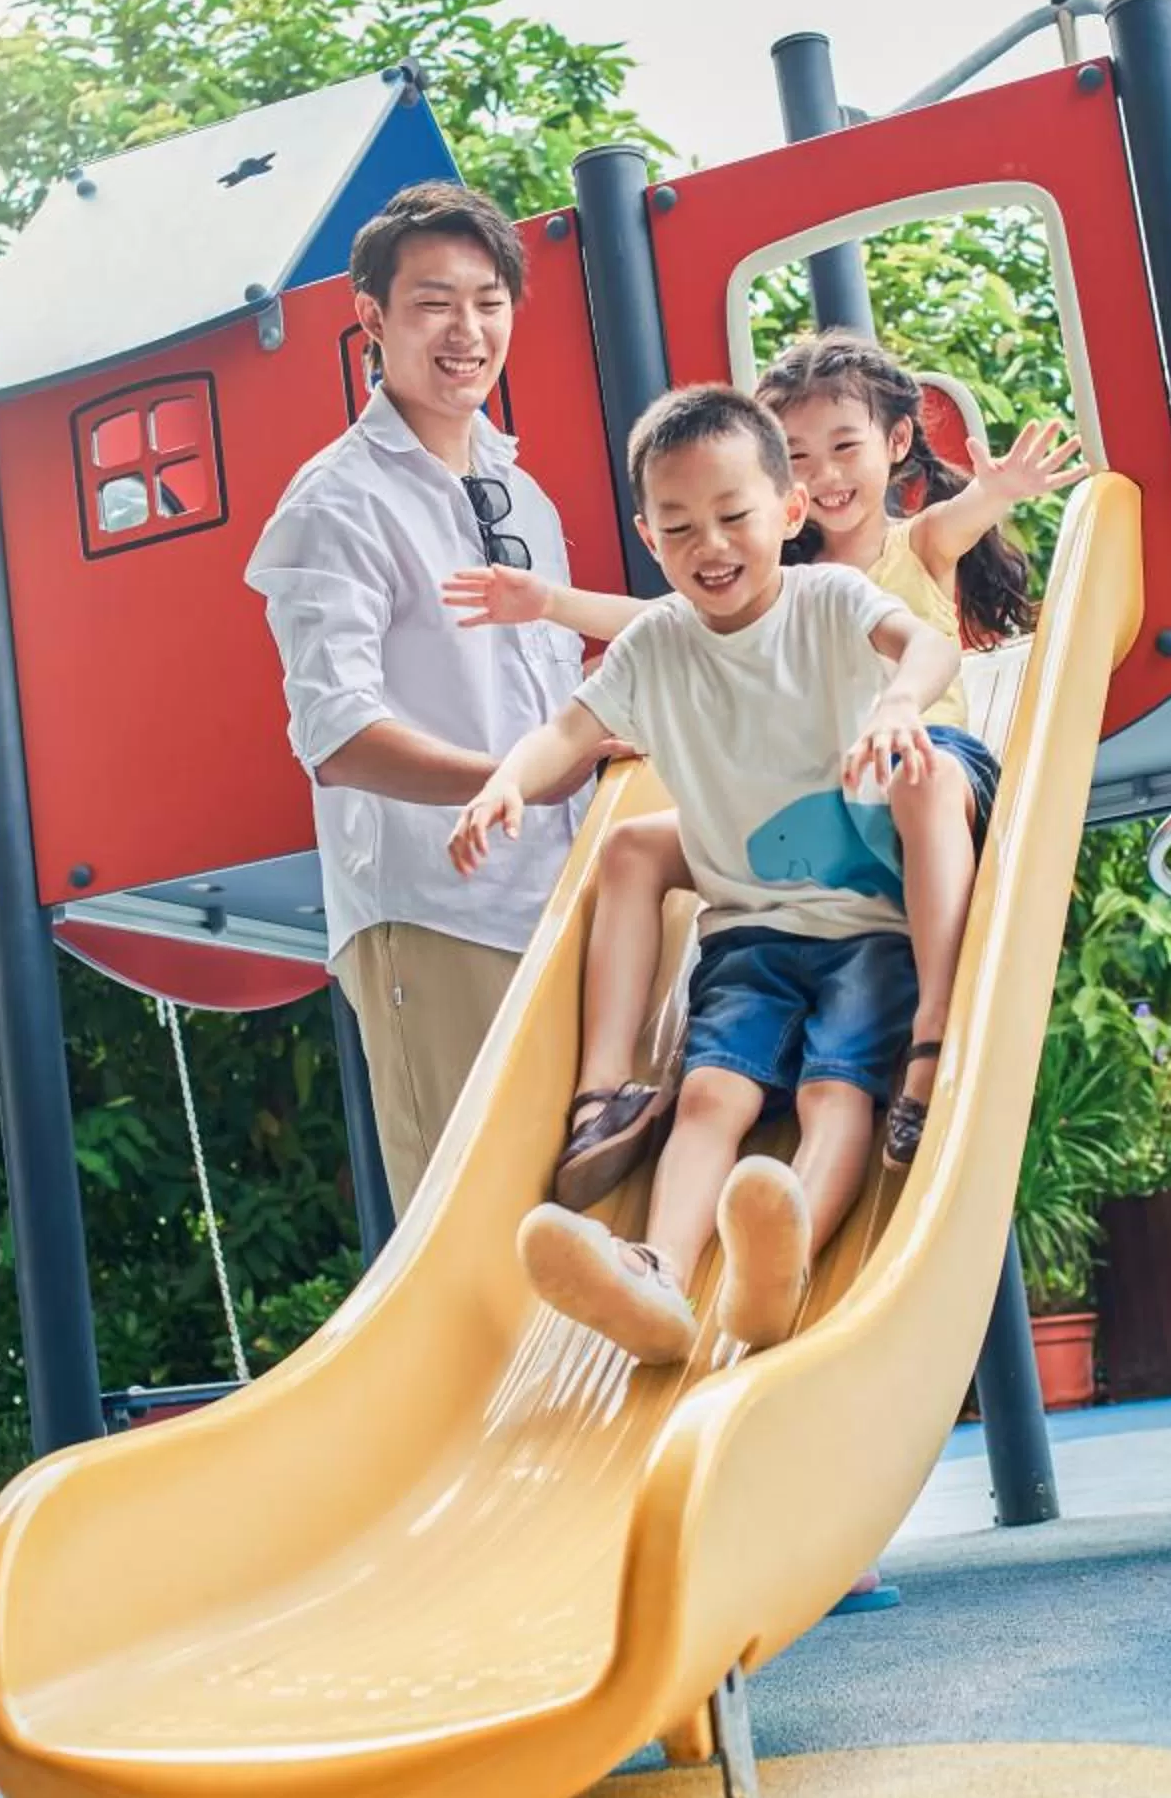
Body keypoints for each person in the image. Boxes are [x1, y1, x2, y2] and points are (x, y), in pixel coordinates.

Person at [446, 333, 1082, 1206]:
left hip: (919, 760)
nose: (825, 475)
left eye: (844, 448)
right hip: (814, 803)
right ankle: (606, 1091)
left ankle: (934, 1025)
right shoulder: (772, 584)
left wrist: (995, 494)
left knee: (918, 777)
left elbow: (933, 622)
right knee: (632, 847)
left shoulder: (885, 563)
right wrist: (518, 749)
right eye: (803, 454)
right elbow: (661, 623)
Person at [448, 385, 961, 1365]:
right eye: (680, 527)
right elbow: (572, 729)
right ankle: (659, 1277)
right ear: (648, 534)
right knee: (708, 1098)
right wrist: (509, 782)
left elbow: (928, 642)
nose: (710, 545)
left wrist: (899, 703)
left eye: (734, 516)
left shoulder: (829, 600)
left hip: (866, 925)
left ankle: (786, 1258)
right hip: (745, 931)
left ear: (789, 511)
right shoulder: (656, 643)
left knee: (836, 1096)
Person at [246, 181, 588, 1217]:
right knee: (478, 1231)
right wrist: (512, 782)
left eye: (489, 301)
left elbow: (565, 698)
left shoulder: (523, 492)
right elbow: (337, 734)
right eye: (434, 301)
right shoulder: (336, 501)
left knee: (582, 1222)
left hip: (563, 904)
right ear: (372, 318)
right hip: (434, 912)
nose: (467, 329)